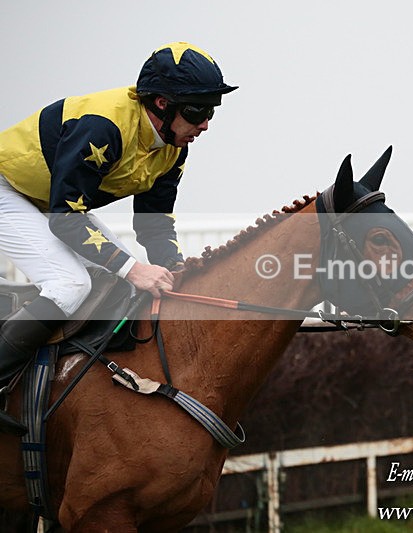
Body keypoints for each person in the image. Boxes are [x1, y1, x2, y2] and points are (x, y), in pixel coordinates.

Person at [0, 42, 237, 434]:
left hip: (48, 201)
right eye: (198, 111)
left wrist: (175, 269)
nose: (206, 124)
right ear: (161, 104)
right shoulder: (102, 127)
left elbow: (154, 224)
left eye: (211, 111)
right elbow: (66, 219)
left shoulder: (172, 148)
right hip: (11, 191)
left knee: (128, 283)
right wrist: (134, 268)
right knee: (70, 284)